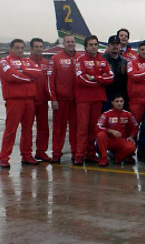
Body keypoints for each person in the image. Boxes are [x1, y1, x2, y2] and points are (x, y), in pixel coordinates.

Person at [0, 39, 43, 168]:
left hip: (29, 100)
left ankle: (27, 155)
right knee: (11, 130)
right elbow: (11, 76)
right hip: (14, 100)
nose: (20, 50)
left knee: (28, 129)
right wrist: (28, 78)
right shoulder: (4, 61)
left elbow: (39, 74)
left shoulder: (27, 61)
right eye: (17, 48)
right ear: (11, 48)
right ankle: (4, 157)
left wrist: (23, 70)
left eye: (22, 48)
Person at [74, 35, 114, 165]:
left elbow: (110, 78)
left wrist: (94, 78)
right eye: (91, 44)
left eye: (95, 44)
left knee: (93, 128)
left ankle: (91, 154)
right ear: (86, 47)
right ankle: (79, 155)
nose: (94, 47)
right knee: (82, 128)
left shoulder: (103, 61)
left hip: (98, 98)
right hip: (83, 99)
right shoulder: (80, 60)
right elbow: (81, 78)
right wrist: (100, 80)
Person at [48, 35, 79, 163]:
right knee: (58, 129)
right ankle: (56, 153)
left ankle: (76, 152)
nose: (70, 44)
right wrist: (53, 98)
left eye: (72, 42)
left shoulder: (80, 58)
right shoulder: (56, 58)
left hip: (77, 101)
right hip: (60, 100)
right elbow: (50, 80)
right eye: (68, 42)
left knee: (75, 128)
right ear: (63, 44)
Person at [95, 94, 138, 166]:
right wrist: (111, 131)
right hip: (109, 140)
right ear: (112, 102)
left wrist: (131, 137)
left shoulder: (128, 114)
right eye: (117, 101)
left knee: (132, 147)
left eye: (121, 101)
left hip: (121, 140)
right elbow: (98, 127)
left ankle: (118, 157)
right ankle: (104, 158)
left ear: (124, 102)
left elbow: (135, 127)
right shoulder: (106, 114)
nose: (119, 103)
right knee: (100, 135)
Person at [28, 38, 51, 162]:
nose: (39, 49)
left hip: (43, 101)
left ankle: (41, 151)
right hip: (30, 101)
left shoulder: (47, 63)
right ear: (31, 48)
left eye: (41, 46)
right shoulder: (25, 62)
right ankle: (27, 153)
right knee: (28, 128)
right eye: (36, 46)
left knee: (43, 127)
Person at [103, 35, 128, 112]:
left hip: (120, 95)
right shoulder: (102, 60)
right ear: (108, 46)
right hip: (106, 95)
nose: (115, 46)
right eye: (113, 44)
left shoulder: (124, 61)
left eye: (117, 44)